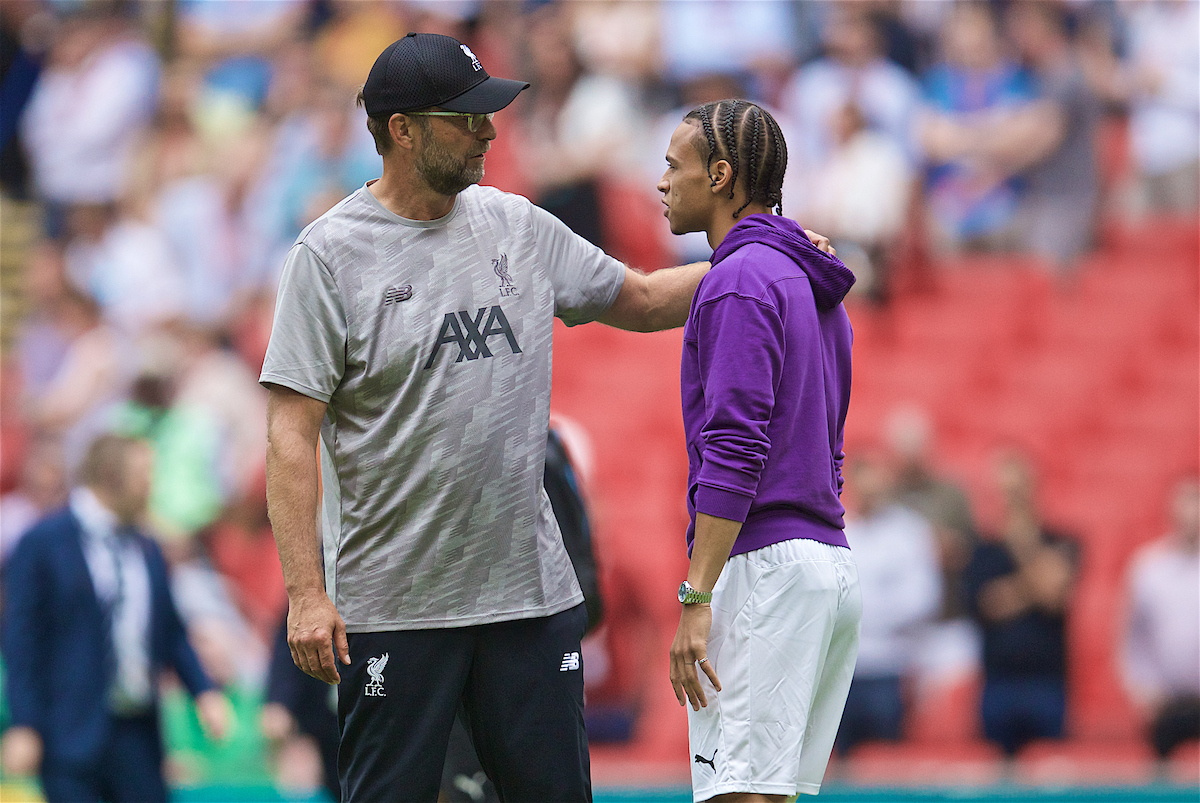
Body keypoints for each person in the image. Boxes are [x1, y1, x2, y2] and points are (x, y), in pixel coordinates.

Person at [260, 33, 833, 803]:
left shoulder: (516, 225)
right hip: (394, 606)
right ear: (402, 129)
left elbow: (640, 298)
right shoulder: (327, 258)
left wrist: (767, 254)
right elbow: (290, 433)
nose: (489, 131)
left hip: (530, 600)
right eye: (465, 118)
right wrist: (305, 592)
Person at [658, 98, 860, 802]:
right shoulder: (809, 279)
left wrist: (696, 595)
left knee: (741, 795)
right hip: (825, 560)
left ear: (718, 175)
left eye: (672, 166)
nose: (662, 183)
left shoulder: (737, 280)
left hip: (766, 567)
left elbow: (736, 448)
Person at [0, 434, 229, 803]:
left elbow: (170, 631)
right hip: (69, 735)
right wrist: (25, 723)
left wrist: (202, 691)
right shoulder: (41, 544)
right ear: (110, 474)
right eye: (143, 474)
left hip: (137, 737)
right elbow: (22, 642)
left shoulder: (148, 546)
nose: (150, 486)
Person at [963, 451, 1078, 757]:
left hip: (1048, 681)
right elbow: (989, 604)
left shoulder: (1063, 541)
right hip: (998, 681)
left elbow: (1054, 597)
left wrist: (1022, 541)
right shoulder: (983, 551)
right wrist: (1036, 582)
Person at [835, 455, 941, 754]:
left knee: (887, 761)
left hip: (890, 666)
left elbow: (922, 598)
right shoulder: (839, 530)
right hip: (843, 668)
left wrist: (860, 613)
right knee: (838, 763)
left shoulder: (908, 532)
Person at [1121, 476, 1200, 759]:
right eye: (1185, 502)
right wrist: (1143, 690)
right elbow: (1132, 639)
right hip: (1166, 704)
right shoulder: (1148, 568)